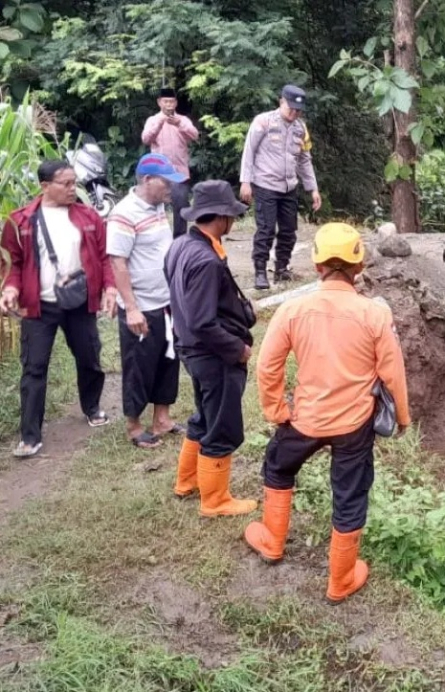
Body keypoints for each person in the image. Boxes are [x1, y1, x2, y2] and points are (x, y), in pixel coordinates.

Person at [247, 222, 411, 603]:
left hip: (304, 419)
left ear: (318, 266)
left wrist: (276, 409)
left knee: (278, 467)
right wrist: (402, 417)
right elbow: (393, 373)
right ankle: (340, 580)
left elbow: (267, 366)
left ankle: (272, 541)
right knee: (350, 494)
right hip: (355, 425)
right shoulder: (373, 315)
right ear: (359, 268)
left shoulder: (293, 310)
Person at [0, 160, 118, 458]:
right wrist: (11, 288)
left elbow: (105, 258)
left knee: (89, 357)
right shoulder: (20, 221)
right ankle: (30, 436)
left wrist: (111, 289)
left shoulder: (88, 216)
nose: (72, 188)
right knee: (34, 368)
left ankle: (92, 407)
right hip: (38, 306)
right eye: (65, 183)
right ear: (44, 186)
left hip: (79, 303)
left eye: (74, 182)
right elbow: (11, 264)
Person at [165, 180, 257, 517]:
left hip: (189, 349)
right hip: (213, 355)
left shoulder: (179, 247)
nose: (234, 221)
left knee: (204, 416)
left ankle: (187, 481)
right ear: (221, 216)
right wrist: (237, 349)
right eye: (231, 214)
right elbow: (204, 321)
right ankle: (215, 500)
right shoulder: (206, 261)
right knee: (222, 423)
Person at [107, 153, 187, 449]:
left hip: (166, 301)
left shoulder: (158, 206)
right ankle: (133, 425)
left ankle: (162, 419)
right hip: (142, 304)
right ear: (146, 180)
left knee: (168, 358)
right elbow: (118, 263)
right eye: (166, 183)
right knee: (139, 365)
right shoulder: (124, 214)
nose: (171, 189)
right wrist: (132, 308)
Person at [239, 84, 322, 290]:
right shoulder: (263, 122)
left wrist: (313, 188)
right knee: (266, 230)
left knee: (288, 231)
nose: (294, 113)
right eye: (291, 108)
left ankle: (282, 269)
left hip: (289, 187)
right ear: (281, 102)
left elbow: (304, 160)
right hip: (266, 184)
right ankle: (260, 272)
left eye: (298, 110)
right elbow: (249, 151)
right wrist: (245, 182)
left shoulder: (301, 128)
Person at [141, 87, 199, 238]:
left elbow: (194, 135)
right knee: (156, 207)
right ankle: (156, 237)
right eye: (165, 101)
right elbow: (146, 139)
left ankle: (179, 240)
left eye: (171, 101)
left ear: (176, 103)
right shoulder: (153, 120)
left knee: (181, 208)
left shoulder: (183, 120)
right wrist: (160, 123)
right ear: (159, 102)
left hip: (179, 173)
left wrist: (179, 123)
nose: (169, 105)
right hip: (159, 173)